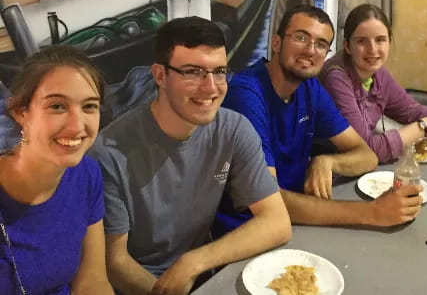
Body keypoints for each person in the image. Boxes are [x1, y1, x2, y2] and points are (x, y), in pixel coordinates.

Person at [88, 16, 291, 295]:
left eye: (219, 71)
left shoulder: (233, 129)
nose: (211, 87)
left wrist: (196, 261)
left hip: (203, 277)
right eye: (193, 72)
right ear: (160, 75)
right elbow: (115, 263)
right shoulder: (108, 153)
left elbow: (277, 222)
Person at [215, 4, 423, 234]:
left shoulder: (310, 88)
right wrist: (372, 213)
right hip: (247, 230)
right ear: (276, 42)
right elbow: (268, 197)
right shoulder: (246, 93)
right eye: (301, 37)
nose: (311, 50)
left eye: (321, 44)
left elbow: (367, 155)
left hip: (296, 222)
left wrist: (327, 161)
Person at [0, 46, 113, 295]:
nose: (76, 126)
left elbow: (92, 282)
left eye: (89, 106)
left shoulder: (86, 174)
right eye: (57, 106)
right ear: (21, 112)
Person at [319, 3, 427, 163]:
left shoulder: (378, 74)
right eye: (361, 41)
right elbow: (364, 150)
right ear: (347, 46)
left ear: (389, 42)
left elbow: (411, 110)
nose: (372, 50)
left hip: (358, 169)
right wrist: (424, 126)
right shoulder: (336, 78)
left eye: (380, 40)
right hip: (325, 172)